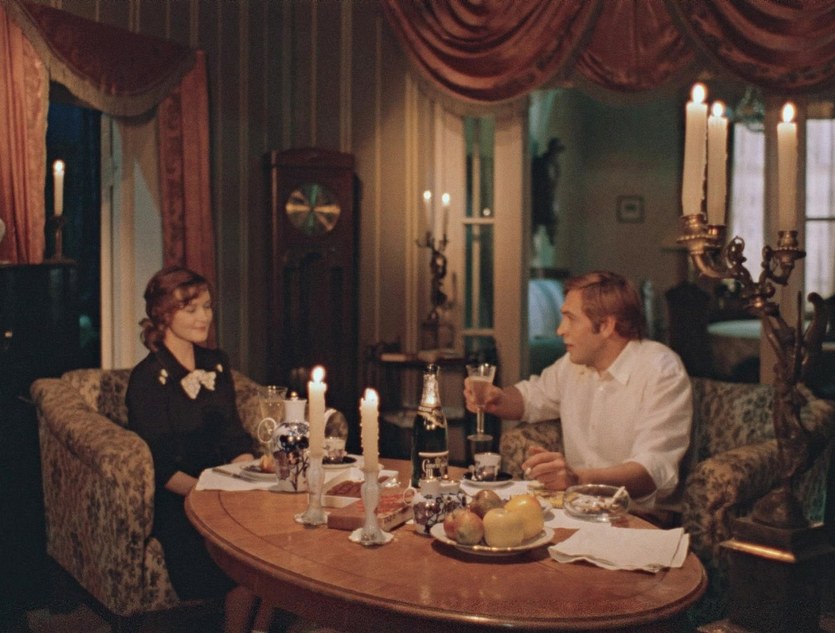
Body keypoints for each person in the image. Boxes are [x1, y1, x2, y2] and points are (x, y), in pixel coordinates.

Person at [464, 271, 692, 507]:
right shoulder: (572, 365)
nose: (560, 330)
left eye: (570, 319)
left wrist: (579, 480)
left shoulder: (662, 371)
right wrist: (495, 398)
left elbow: (652, 471)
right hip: (576, 506)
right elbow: (532, 397)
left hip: (635, 515)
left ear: (606, 326)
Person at [126, 266, 272, 633]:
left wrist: (244, 476)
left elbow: (235, 436)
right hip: (182, 501)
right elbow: (161, 467)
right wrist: (212, 495)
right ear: (163, 315)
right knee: (247, 563)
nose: (203, 317)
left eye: (207, 307)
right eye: (191, 309)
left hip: (226, 489)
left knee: (282, 544)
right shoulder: (146, 379)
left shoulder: (216, 363)